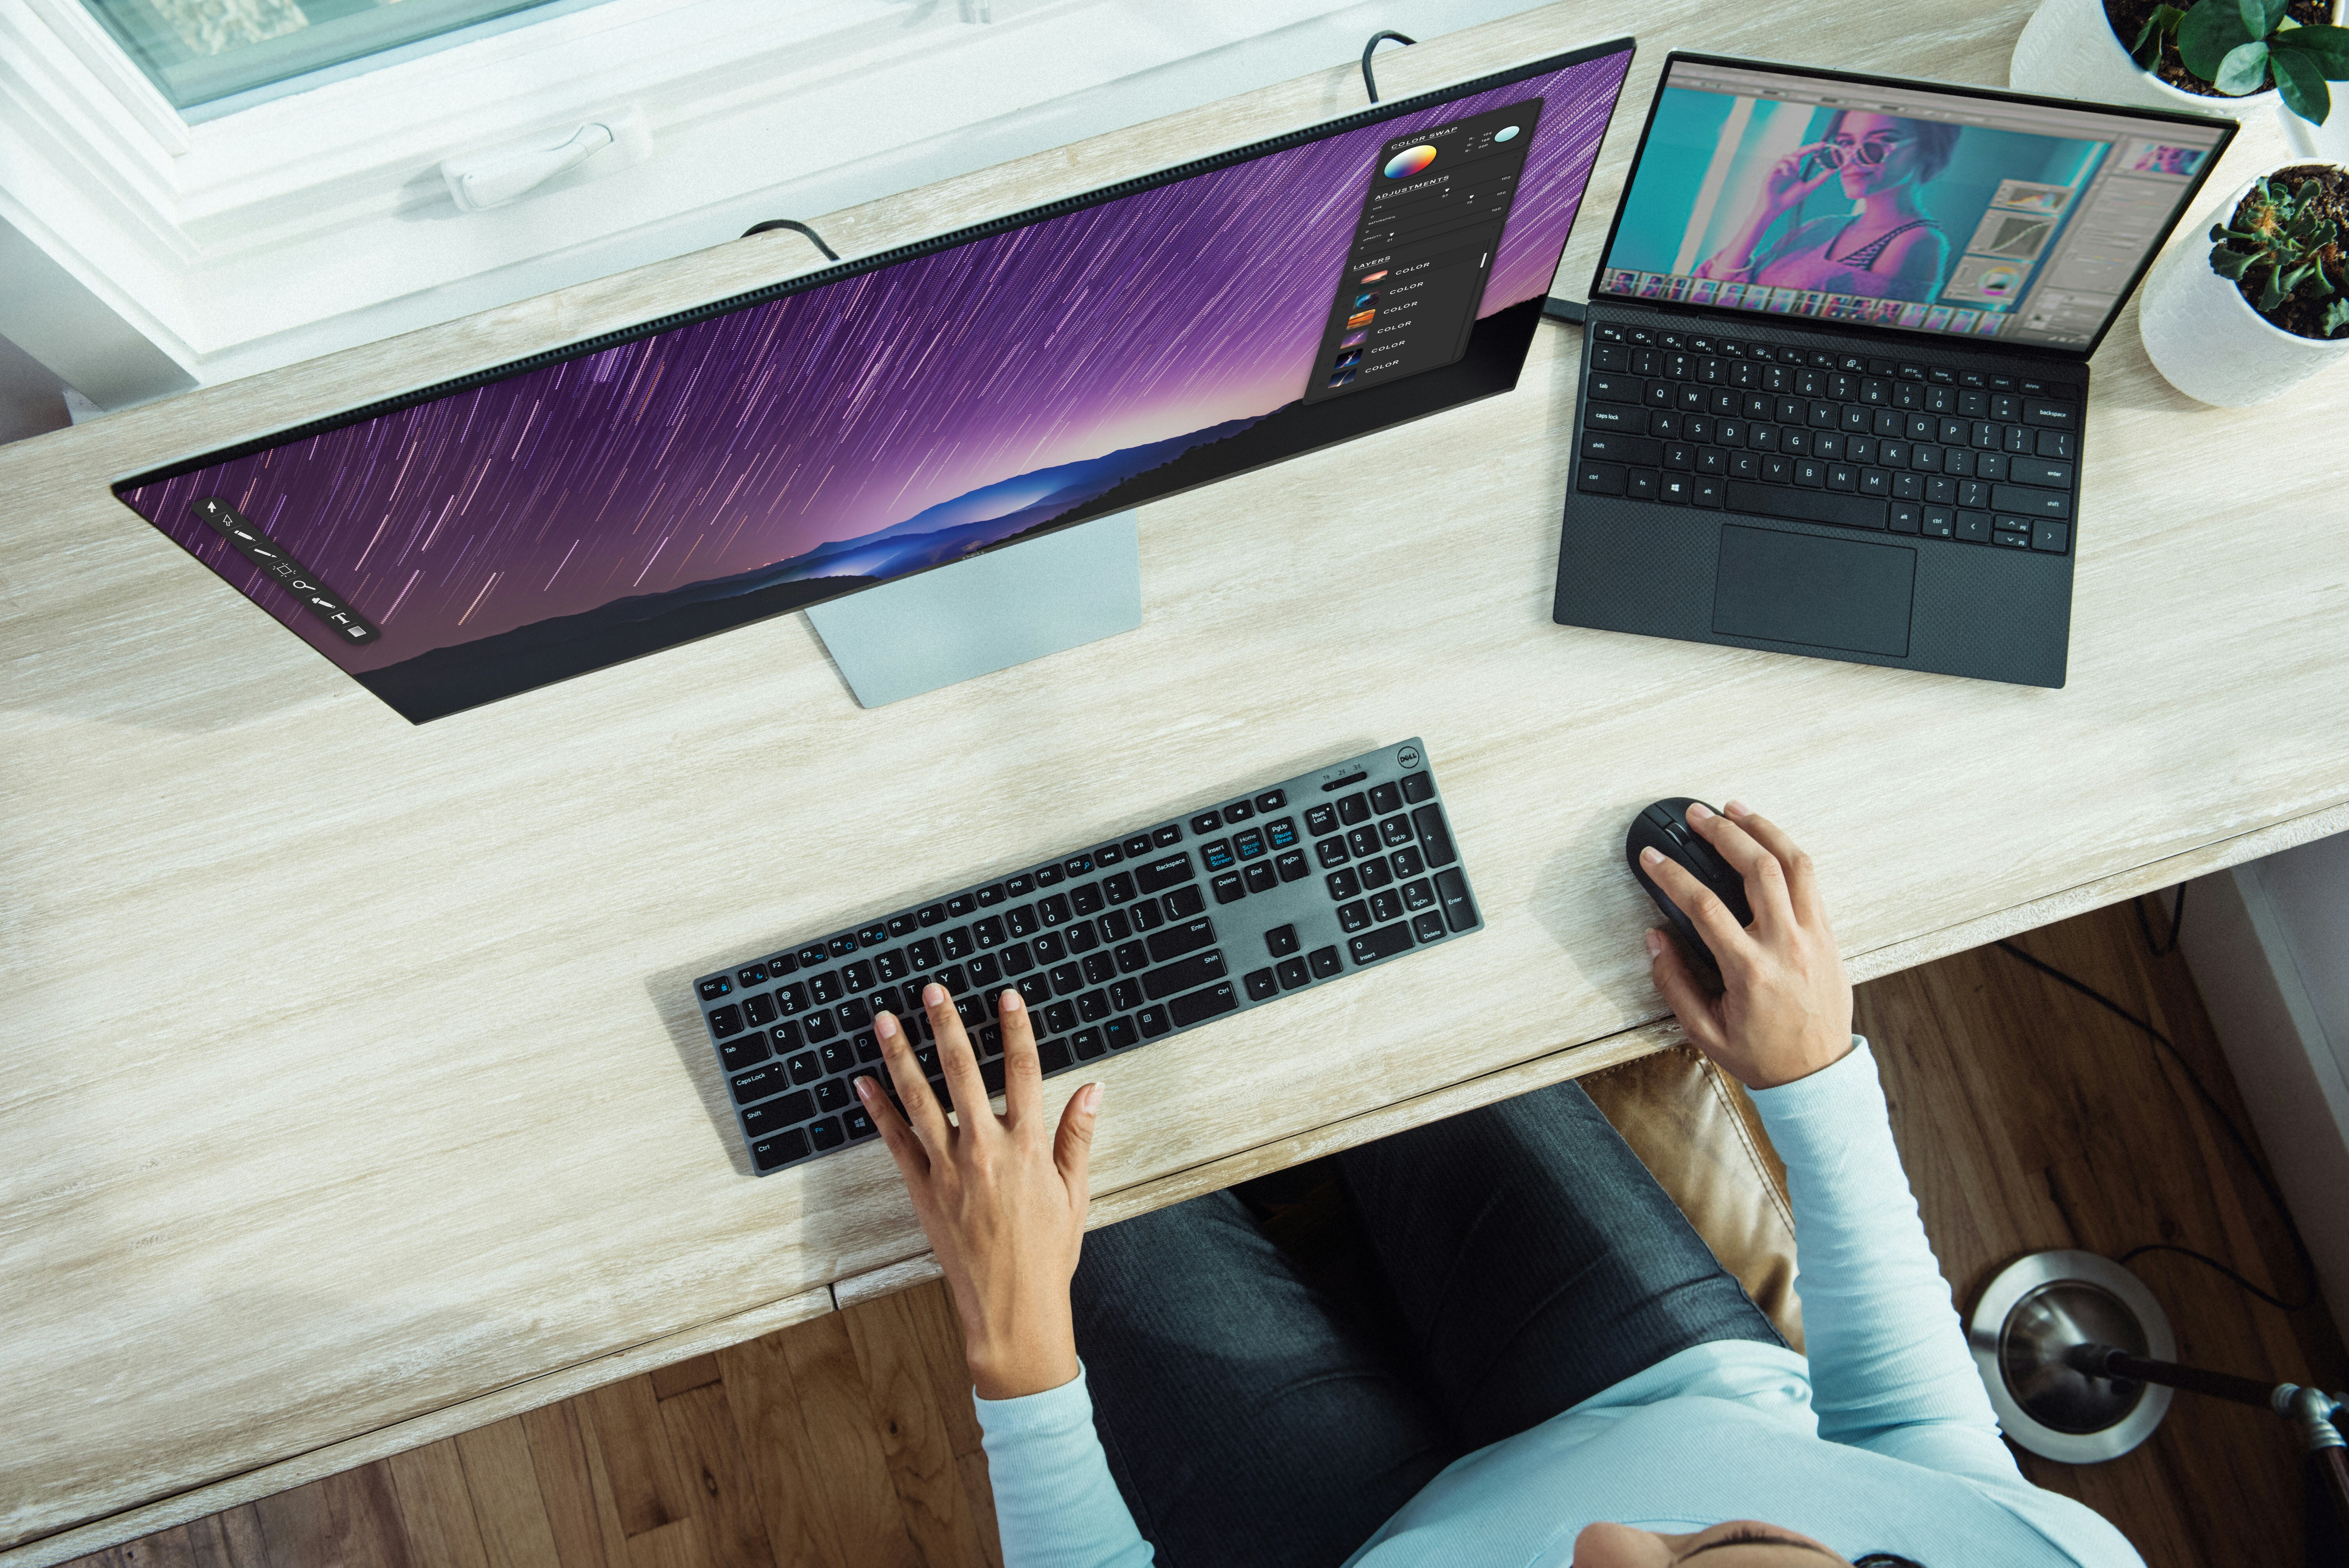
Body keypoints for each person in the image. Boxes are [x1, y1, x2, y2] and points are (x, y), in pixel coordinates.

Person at [852, 802, 2144, 1567]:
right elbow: (1918, 1450)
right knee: (1353, 916)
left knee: (999, 1076)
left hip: (1334, 1540)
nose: (1601, 1539)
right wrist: (1813, 1079)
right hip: (1643, 1379)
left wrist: (1017, 1351)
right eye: (1714, 1543)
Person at [1696, 114, 1959, 305]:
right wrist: (1766, 211)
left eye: (1880, 143)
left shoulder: (1917, 242)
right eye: (1844, 144)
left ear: (1929, 150)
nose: (1853, 159)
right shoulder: (1823, 227)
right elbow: (1711, 292)